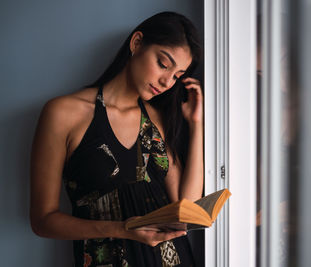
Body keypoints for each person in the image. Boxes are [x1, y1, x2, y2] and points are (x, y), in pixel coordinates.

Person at [30, 11, 203, 267]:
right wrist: (123, 229)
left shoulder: (156, 119)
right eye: (163, 64)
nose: (167, 81)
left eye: (177, 76)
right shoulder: (63, 113)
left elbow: (187, 207)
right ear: (136, 43)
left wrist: (196, 124)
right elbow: (43, 220)